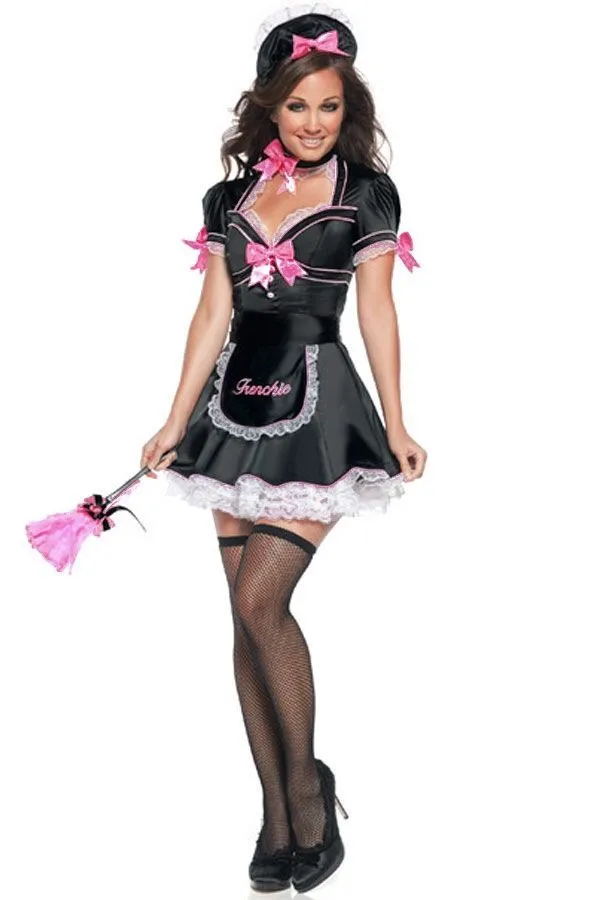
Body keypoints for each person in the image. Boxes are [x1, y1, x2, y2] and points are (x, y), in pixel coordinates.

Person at [140, 5, 427, 893]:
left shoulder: (364, 193)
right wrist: (171, 421)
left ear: (349, 109)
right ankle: (276, 811)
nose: (313, 122)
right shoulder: (228, 201)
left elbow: (377, 309)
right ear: (270, 107)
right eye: (298, 106)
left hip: (319, 410)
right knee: (243, 617)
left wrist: (398, 420)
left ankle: (307, 788)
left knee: (261, 600)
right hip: (231, 413)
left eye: (329, 106)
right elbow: (211, 315)